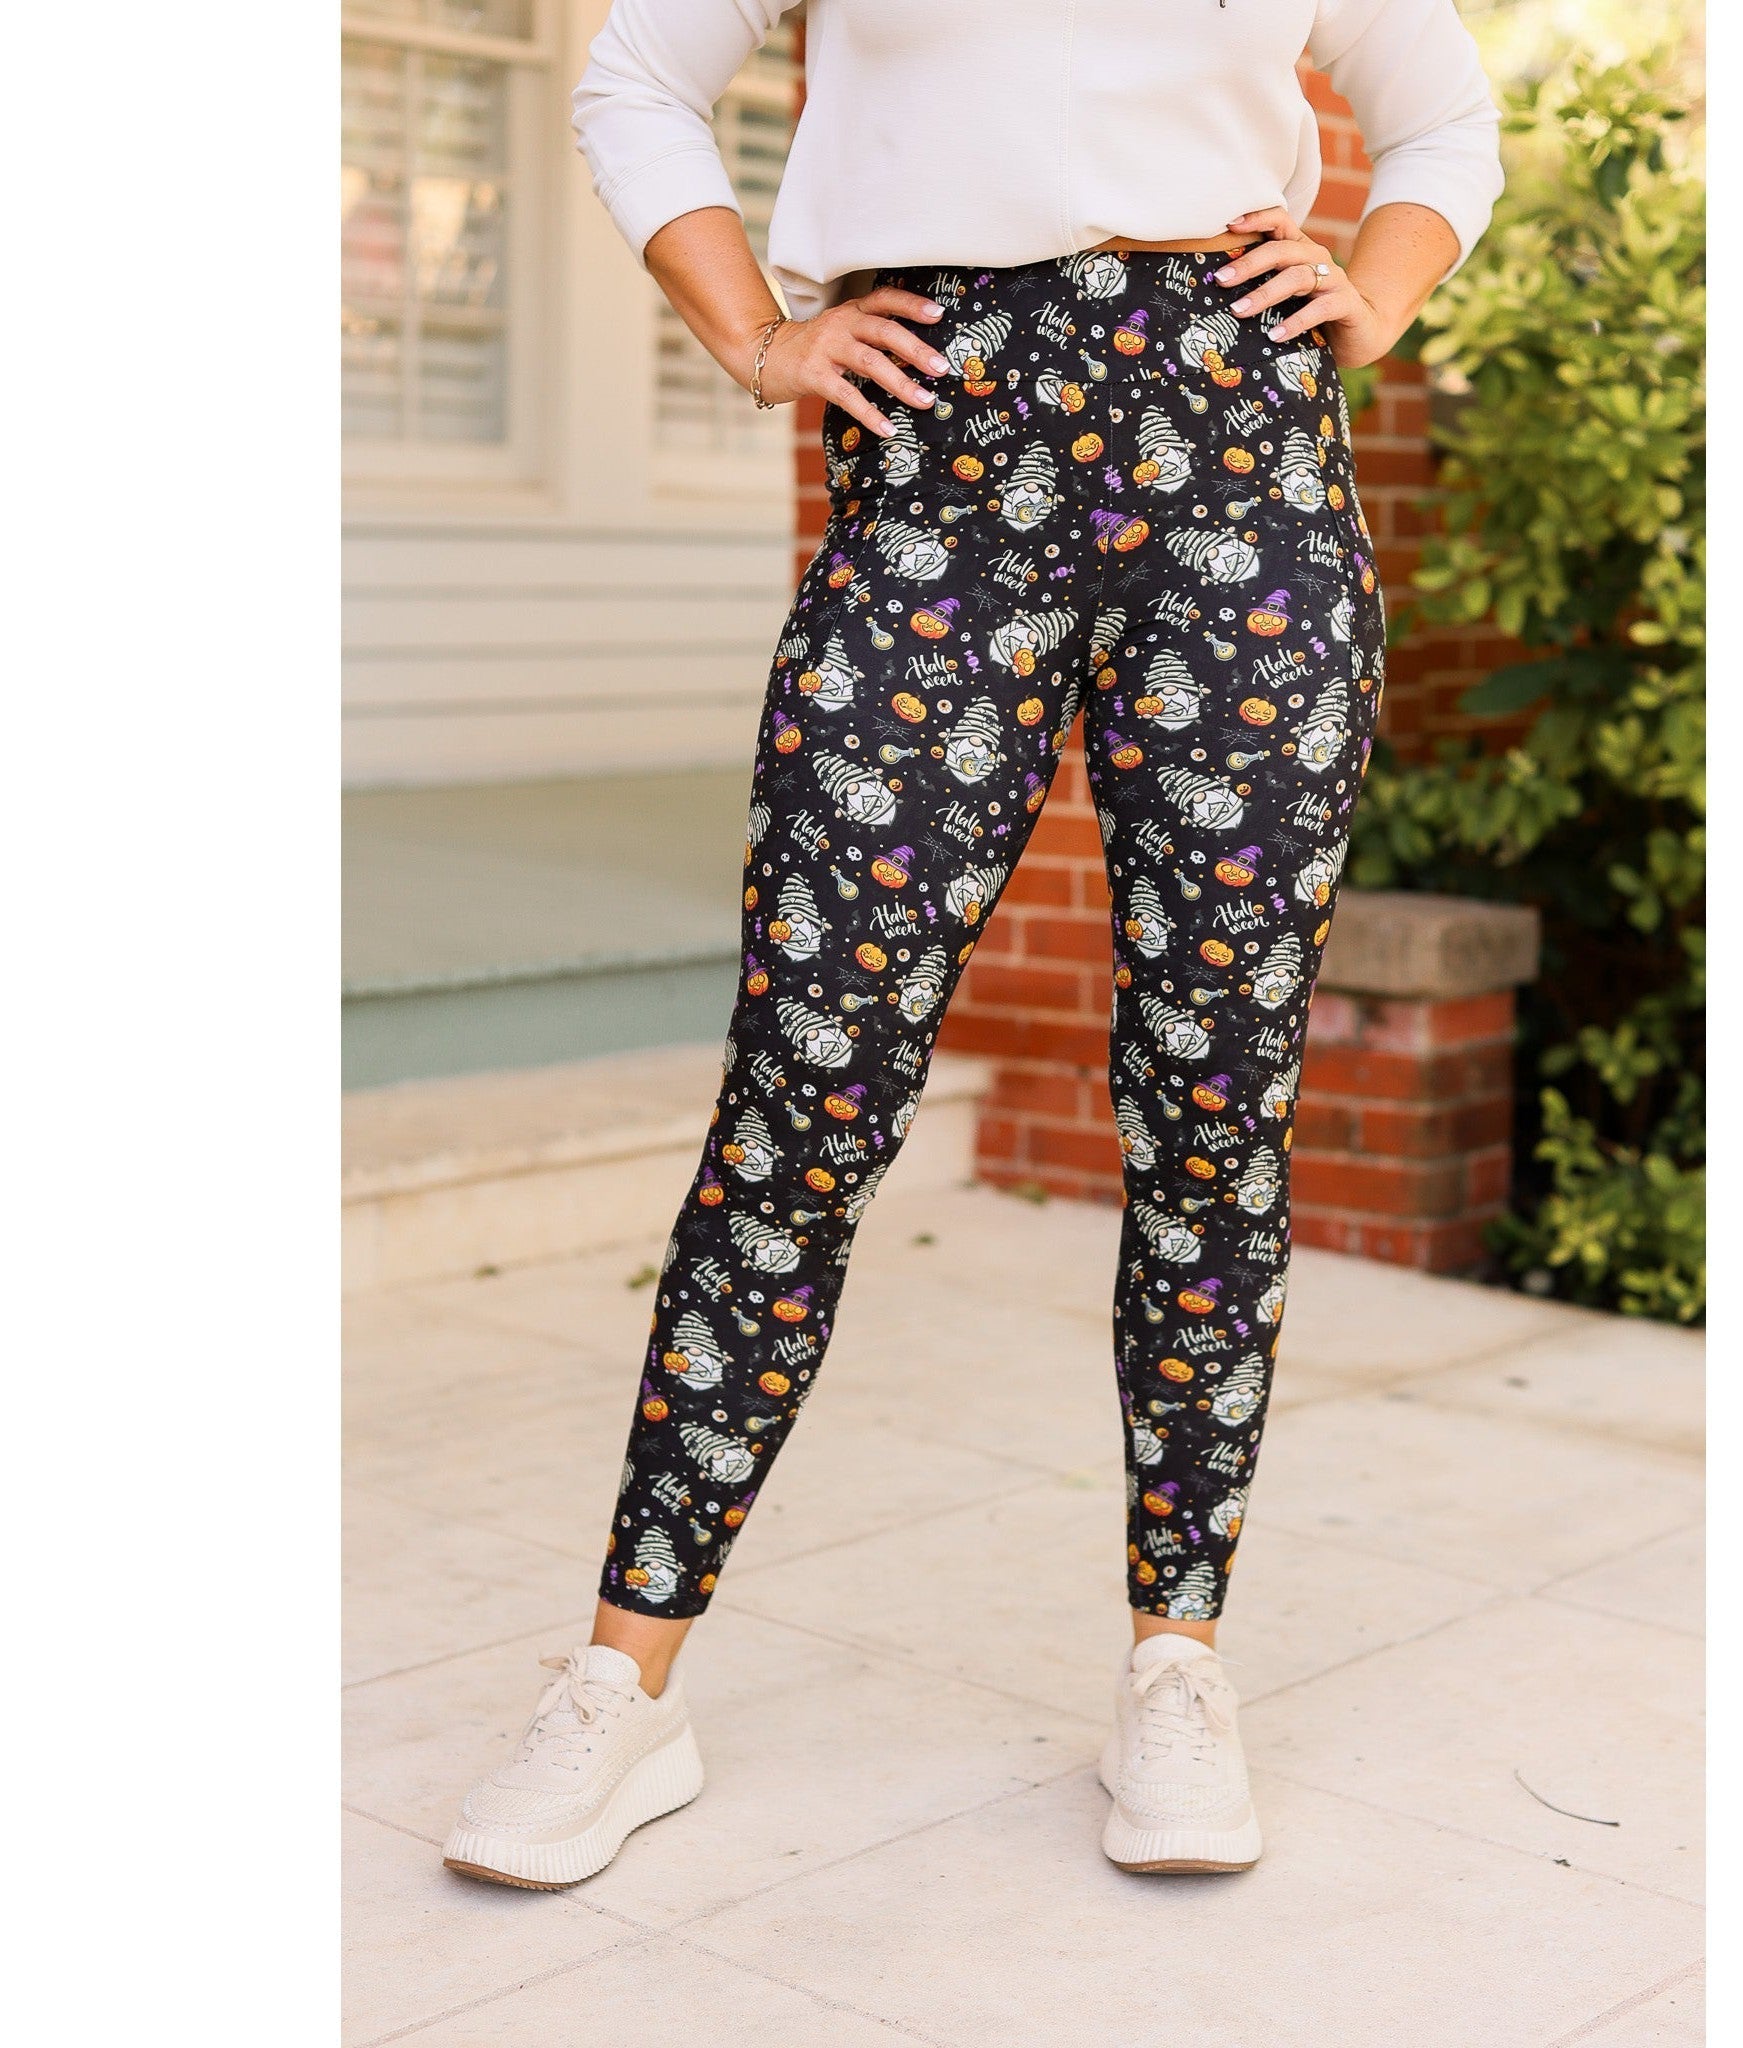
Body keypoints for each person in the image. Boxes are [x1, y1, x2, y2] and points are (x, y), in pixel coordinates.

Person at [443, 0, 1502, 1890]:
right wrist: (754, 335)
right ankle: (623, 1682)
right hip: (939, 458)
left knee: (1213, 1102)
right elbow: (636, 79)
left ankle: (1177, 1662)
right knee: (808, 1091)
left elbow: (1444, 125)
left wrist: (1376, 288)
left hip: (1242, 469)